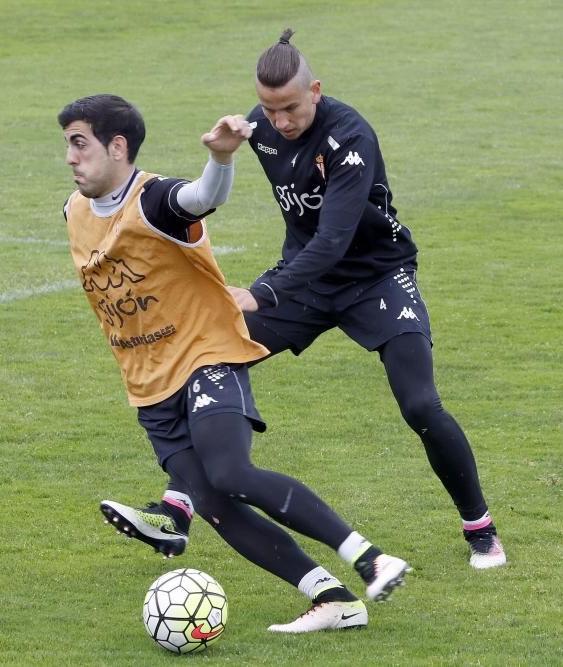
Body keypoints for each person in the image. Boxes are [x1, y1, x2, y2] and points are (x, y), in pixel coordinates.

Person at [105, 30, 507, 570]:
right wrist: (223, 152)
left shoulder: (350, 138)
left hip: (377, 277)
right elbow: (219, 191)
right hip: (306, 282)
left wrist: (263, 292)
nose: (281, 121)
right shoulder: (263, 129)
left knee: (420, 405)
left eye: (291, 107)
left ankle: (480, 529)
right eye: (270, 111)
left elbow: (334, 241)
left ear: (315, 90)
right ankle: (177, 507)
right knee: (206, 353)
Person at [58, 94, 410, 634]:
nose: (71, 157)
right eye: (68, 145)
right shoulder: (73, 212)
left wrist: (221, 159)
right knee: (213, 501)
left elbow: (201, 197)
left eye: (80, 144)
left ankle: (370, 558)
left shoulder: (154, 200)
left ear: (117, 146)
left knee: (230, 471)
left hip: (206, 354)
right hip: (147, 383)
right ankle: (332, 597)